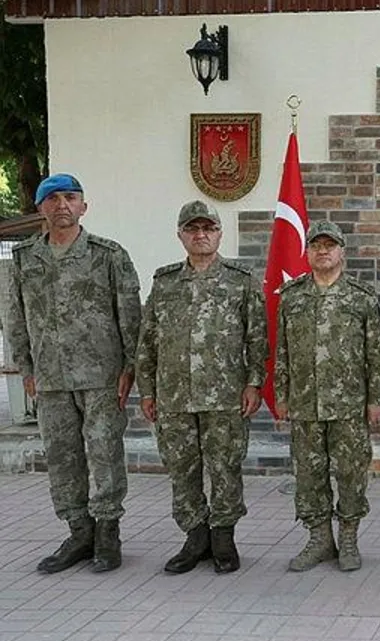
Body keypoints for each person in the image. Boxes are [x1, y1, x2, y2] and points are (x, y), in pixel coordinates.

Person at [8, 173, 141, 573]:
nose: (62, 205)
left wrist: (130, 366)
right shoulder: (25, 258)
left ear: (84, 206)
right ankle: (79, 532)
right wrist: (26, 368)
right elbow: (15, 317)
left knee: (104, 454)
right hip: (50, 378)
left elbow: (129, 314)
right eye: (52, 199)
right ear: (40, 209)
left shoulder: (108, 255)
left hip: (101, 376)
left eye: (70, 197)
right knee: (62, 458)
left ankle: (107, 534)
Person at [136, 200, 267, 574]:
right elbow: (147, 340)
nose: (201, 235)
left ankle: (223, 537)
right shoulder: (165, 283)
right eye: (192, 229)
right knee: (181, 469)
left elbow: (257, 338)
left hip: (224, 395)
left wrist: (254, 383)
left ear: (219, 233)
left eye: (208, 228)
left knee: (225, 467)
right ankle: (195, 536)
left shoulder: (241, 280)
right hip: (174, 396)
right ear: (180, 235)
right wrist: (148, 391)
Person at [275, 220, 380, 572]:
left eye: (330, 245)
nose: (323, 251)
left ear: (342, 252)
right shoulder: (291, 297)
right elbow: (282, 351)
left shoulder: (360, 297)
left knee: (351, 474)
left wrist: (376, 399)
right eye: (316, 245)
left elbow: (375, 353)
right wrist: (281, 394)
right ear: (307, 252)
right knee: (309, 475)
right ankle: (320, 539)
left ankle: (348, 537)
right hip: (305, 403)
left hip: (349, 404)